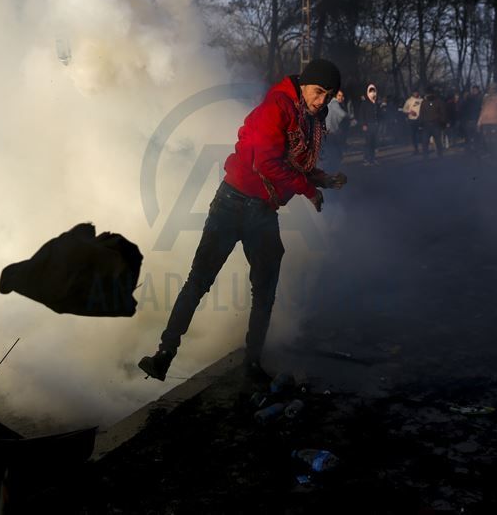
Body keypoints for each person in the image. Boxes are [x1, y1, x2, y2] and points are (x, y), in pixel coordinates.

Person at [138, 59, 348, 381]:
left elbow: (298, 164)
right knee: (199, 281)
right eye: (318, 92)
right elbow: (267, 163)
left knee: (265, 289)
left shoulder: (310, 118)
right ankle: (164, 355)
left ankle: (252, 362)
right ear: (304, 84)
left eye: (329, 95)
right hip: (231, 204)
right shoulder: (276, 107)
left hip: (263, 210)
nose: (322, 101)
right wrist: (309, 190)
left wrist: (323, 180)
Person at [477, 82, 497, 159]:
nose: (491, 90)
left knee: (495, 140)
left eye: (493, 88)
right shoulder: (485, 98)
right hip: (485, 123)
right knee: (486, 140)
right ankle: (489, 154)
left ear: (496, 89)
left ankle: (495, 155)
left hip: (494, 122)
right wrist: (479, 122)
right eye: (490, 88)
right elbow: (482, 111)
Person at [324, 89, 350, 167]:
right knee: (334, 154)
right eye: (339, 95)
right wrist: (349, 117)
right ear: (335, 96)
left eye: (342, 96)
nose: (340, 97)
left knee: (331, 152)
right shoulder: (335, 104)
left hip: (328, 131)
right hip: (333, 132)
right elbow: (343, 115)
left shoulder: (328, 104)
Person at [419, 89, 448, 158]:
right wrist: (420, 124)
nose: (428, 96)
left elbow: (443, 113)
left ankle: (440, 155)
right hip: (426, 125)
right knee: (425, 141)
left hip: (436, 124)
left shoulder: (438, 102)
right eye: (427, 94)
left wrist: (443, 122)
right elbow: (421, 113)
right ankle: (425, 156)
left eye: (430, 94)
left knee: (438, 141)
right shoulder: (424, 102)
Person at [358, 84, 382, 166]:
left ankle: (373, 159)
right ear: (368, 92)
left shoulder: (376, 103)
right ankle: (366, 159)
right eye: (371, 91)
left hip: (375, 125)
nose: (372, 93)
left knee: (374, 143)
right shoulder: (364, 103)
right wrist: (363, 124)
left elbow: (379, 114)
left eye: (374, 91)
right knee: (368, 143)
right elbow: (361, 115)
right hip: (368, 126)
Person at [459, 85, 482, 151]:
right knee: (469, 136)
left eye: (475, 90)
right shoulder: (467, 101)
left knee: (476, 136)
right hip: (468, 121)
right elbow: (463, 111)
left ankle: (476, 149)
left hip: (475, 120)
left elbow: (479, 109)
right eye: (473, 90)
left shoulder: (479, 98)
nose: (474, 91)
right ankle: (470, 149)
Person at [402, 90, 424, 154]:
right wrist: (410, 112)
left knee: (421, 134)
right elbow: (404, 109)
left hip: (420, 119)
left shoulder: (422, 100)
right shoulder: (409, 101)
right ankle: (416, 149)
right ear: (412, 93)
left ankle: (423, 148)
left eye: (417, 92)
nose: (416, 93)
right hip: (412, 120)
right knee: (414, 135)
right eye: (414, 92)